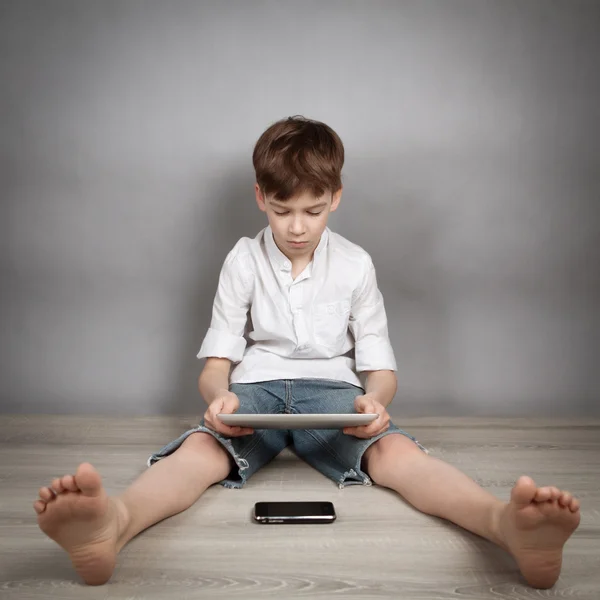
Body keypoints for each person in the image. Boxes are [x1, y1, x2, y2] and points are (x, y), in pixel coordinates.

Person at [34, 116, 580, 588]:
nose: (297, 227)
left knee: (395, 456)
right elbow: (216, 367)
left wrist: (375, 403)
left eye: (314, 211)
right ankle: (115, 523)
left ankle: (504, 525)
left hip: (335, 393)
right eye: (282, 210)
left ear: (336, 197)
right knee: (201, 453)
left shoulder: (356, 264)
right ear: (260, 198)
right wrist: (220, 399)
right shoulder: (242, 260)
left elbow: (379, 366)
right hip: (257, 390)